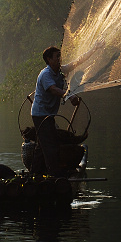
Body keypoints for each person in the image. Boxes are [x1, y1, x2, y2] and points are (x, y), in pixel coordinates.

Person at [31, 46, 79, 176]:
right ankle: (54, 175)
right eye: (56, 56)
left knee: (42, 146)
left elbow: (76, 62)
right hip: (40, 114)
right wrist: (69, 96)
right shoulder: (45, 74)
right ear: (49, 59)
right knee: (50, 145)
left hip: (47, 114)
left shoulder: (59, 70)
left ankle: (35, 174)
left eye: (60, 56)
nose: (59, 59)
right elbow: (53, 89)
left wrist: (95, 49)